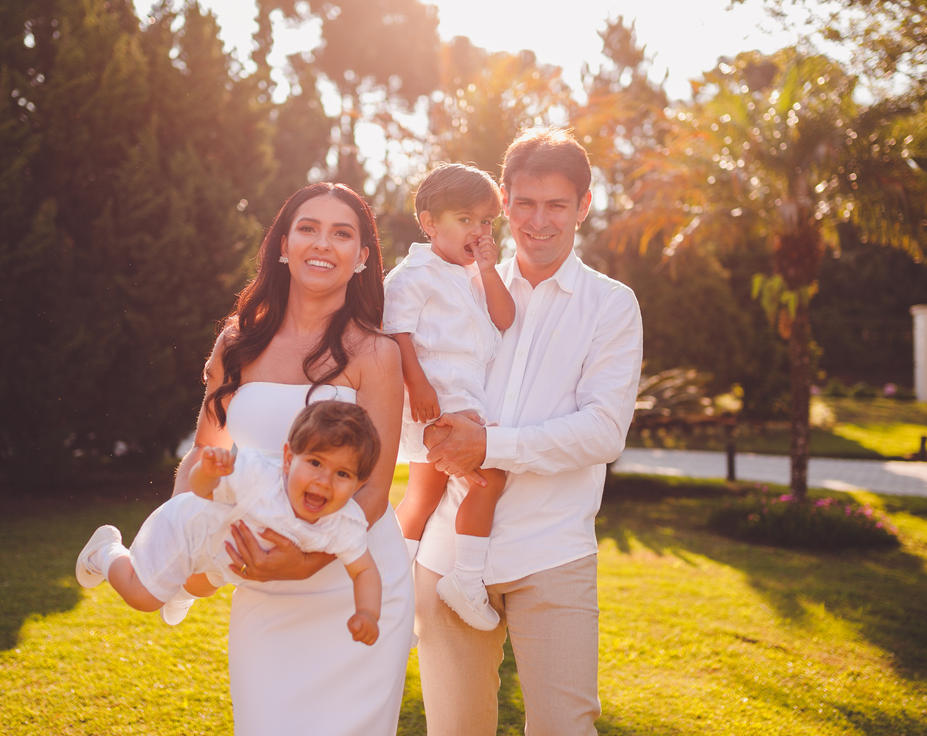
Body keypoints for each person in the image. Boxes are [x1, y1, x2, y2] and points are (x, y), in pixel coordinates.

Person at [414, 128, 644, 736]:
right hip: (446, 555)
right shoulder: (454, 283)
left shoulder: (612, 306)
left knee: (565, 729)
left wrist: (490, 447)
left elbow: (602, 431)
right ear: (504, 203)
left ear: (584, 207)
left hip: (553, 553)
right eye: (525, 204)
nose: (538, 221)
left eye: (557, 205)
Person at [171, 183, 412, 735]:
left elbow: (374, 490)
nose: (322, 243)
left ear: (362, 258)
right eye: (308, 228)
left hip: (355, 582)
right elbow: (205, 457)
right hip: (266, 588)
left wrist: (309, 561)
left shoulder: (376, 353)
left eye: (342, 233)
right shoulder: (237, 343)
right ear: (283, 245)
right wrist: (182, 534)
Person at [75, 400, 383, 646]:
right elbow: (201, 490)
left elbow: (364, 569)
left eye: (342, 474)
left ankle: (181, 591)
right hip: (186, 530)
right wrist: (208, 472)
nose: (324, 481)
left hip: (222, 553)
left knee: (206, 586)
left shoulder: (345, 523)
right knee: (143, 598)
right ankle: (106, 551)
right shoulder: (258, 476)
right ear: (288, 459)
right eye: (315, 463)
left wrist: (368, 613)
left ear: (359, 481)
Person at [384, 163, 515, 631]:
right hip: (437, 404)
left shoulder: (474, 275)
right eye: (466, 219)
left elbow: (505, 318)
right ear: (429, 222)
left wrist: (486, 267)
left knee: (423, 497)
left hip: (463, 402)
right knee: (491, 472)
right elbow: (395, 331)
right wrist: (416, 385)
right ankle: (465, 577)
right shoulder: (413, 275)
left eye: (487, 222)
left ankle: (390, 590)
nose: (479, 232)